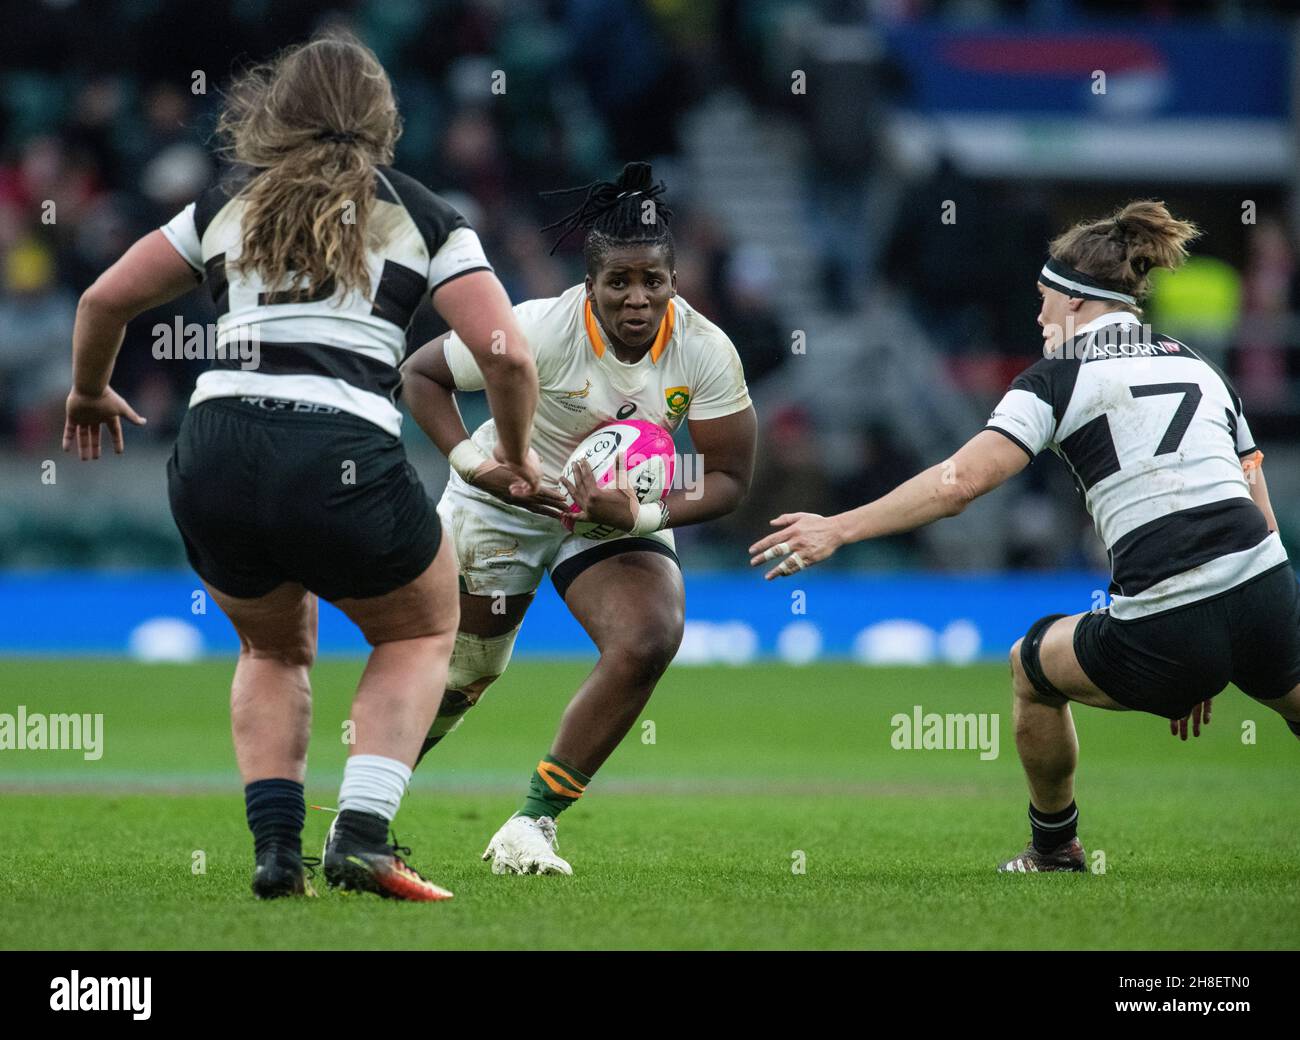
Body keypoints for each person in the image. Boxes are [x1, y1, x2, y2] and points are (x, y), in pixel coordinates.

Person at [63, 32, 541, 900]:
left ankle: (277, 855)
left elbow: (104, 298)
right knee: (421, 628)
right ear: (382, 118)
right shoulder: (425, 214)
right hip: (337, 448)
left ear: (276, 110)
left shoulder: (224, 204)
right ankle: (359, 834)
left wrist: (90, 392)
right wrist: (512, 454)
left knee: (274, 649)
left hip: (214, 449)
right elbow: (507, 356)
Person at [749, 200, 1300, 872]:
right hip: (1265, 587)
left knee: (1031, 667)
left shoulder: (1055, 380)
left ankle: (1055, 849)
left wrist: (839, 527)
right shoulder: (1198, 366)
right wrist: (1226, 641)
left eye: (1044, 301)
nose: (1039, 318)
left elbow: (959, 484)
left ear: (1074, 301)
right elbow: (1258, 505)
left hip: (1168, 617)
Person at [402, 162, 757, 874]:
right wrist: (479, 467)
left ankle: (531, 824)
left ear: (674, 283)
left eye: (651, 281)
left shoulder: (706, 351)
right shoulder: (535, 330)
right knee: (465, 675)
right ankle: (364, 810)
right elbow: (420, 374)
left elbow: (728, 479)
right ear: (588, 284)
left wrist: (643, 511)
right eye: (617, 282)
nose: (635, 298)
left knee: (650, 635)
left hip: (615, 513)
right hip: (503, 499)